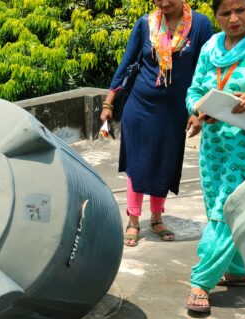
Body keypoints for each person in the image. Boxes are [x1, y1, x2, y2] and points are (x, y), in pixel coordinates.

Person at [185, 0, 245, 314]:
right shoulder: (210, 47)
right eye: (225, 13)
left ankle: (201, 280)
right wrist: (199, 110)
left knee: (228, 210)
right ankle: (238, 270)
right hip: (214, 147)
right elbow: (194, 89)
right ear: (215, 15)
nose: (233, 19)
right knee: (218, 204)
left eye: (240, 9)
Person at [101, 0, 213, 247]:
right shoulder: (145, 24)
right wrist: (109, 103)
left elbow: (205, 69)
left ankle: (156, 218)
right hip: (140, 107)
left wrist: (200, 109)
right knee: (137, 162)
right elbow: (127, 62)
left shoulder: (201, 24)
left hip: (175, 110)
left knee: (165, 162)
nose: (164, 3)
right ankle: (133, 220)